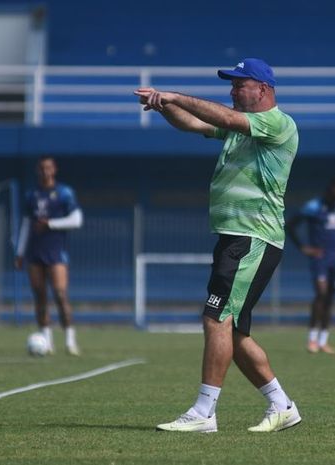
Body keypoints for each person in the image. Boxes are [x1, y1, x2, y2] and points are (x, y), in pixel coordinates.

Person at [134, 58, 301, 433]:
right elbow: (194, 123)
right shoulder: (242, 130)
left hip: (252, 236)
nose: (232, 90)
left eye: (239, 84)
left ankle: (204, 412)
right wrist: (165, 106)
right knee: (233, 331)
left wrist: (176, 94)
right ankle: (281, 404)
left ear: (263, 89)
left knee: (216, 318)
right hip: (235, 236)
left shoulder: (277, 123)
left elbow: (224, 118)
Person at [15, 156, 83, 356]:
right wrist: (20, 252)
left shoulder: (64, 193)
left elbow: (77, 219)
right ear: (38, 171)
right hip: (35, 252)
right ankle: (47, 341)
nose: (46, 171)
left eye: (49, 168)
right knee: (40, 297)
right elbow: (27, 224)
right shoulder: (32, 195)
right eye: (42, 168)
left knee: (61, 295)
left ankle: (70, 341)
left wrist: (51, 224)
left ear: (54, 170)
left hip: (56, 252)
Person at [285, 178, 335, 354]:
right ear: (328, 193)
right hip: (320, 258)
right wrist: (303, 247)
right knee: (320, 295)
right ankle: (312, 340)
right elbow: (290, 225)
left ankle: (323, 341)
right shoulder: (313, 207)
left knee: (330, 298)